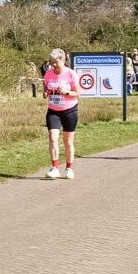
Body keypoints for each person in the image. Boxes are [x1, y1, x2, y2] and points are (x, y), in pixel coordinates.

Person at [42, 48, 79, 179]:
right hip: (53, 111)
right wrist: (46, 93)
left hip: (69, 110)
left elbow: (77, 93)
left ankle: (69, 168)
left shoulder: (70, 74)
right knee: (53, 137)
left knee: (68, 141)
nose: (54, 65)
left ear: (63, 60)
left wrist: (66, 92)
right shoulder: (48, 74)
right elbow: (46, 88)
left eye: (56, 62)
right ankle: (54, 167)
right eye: (52, 62)